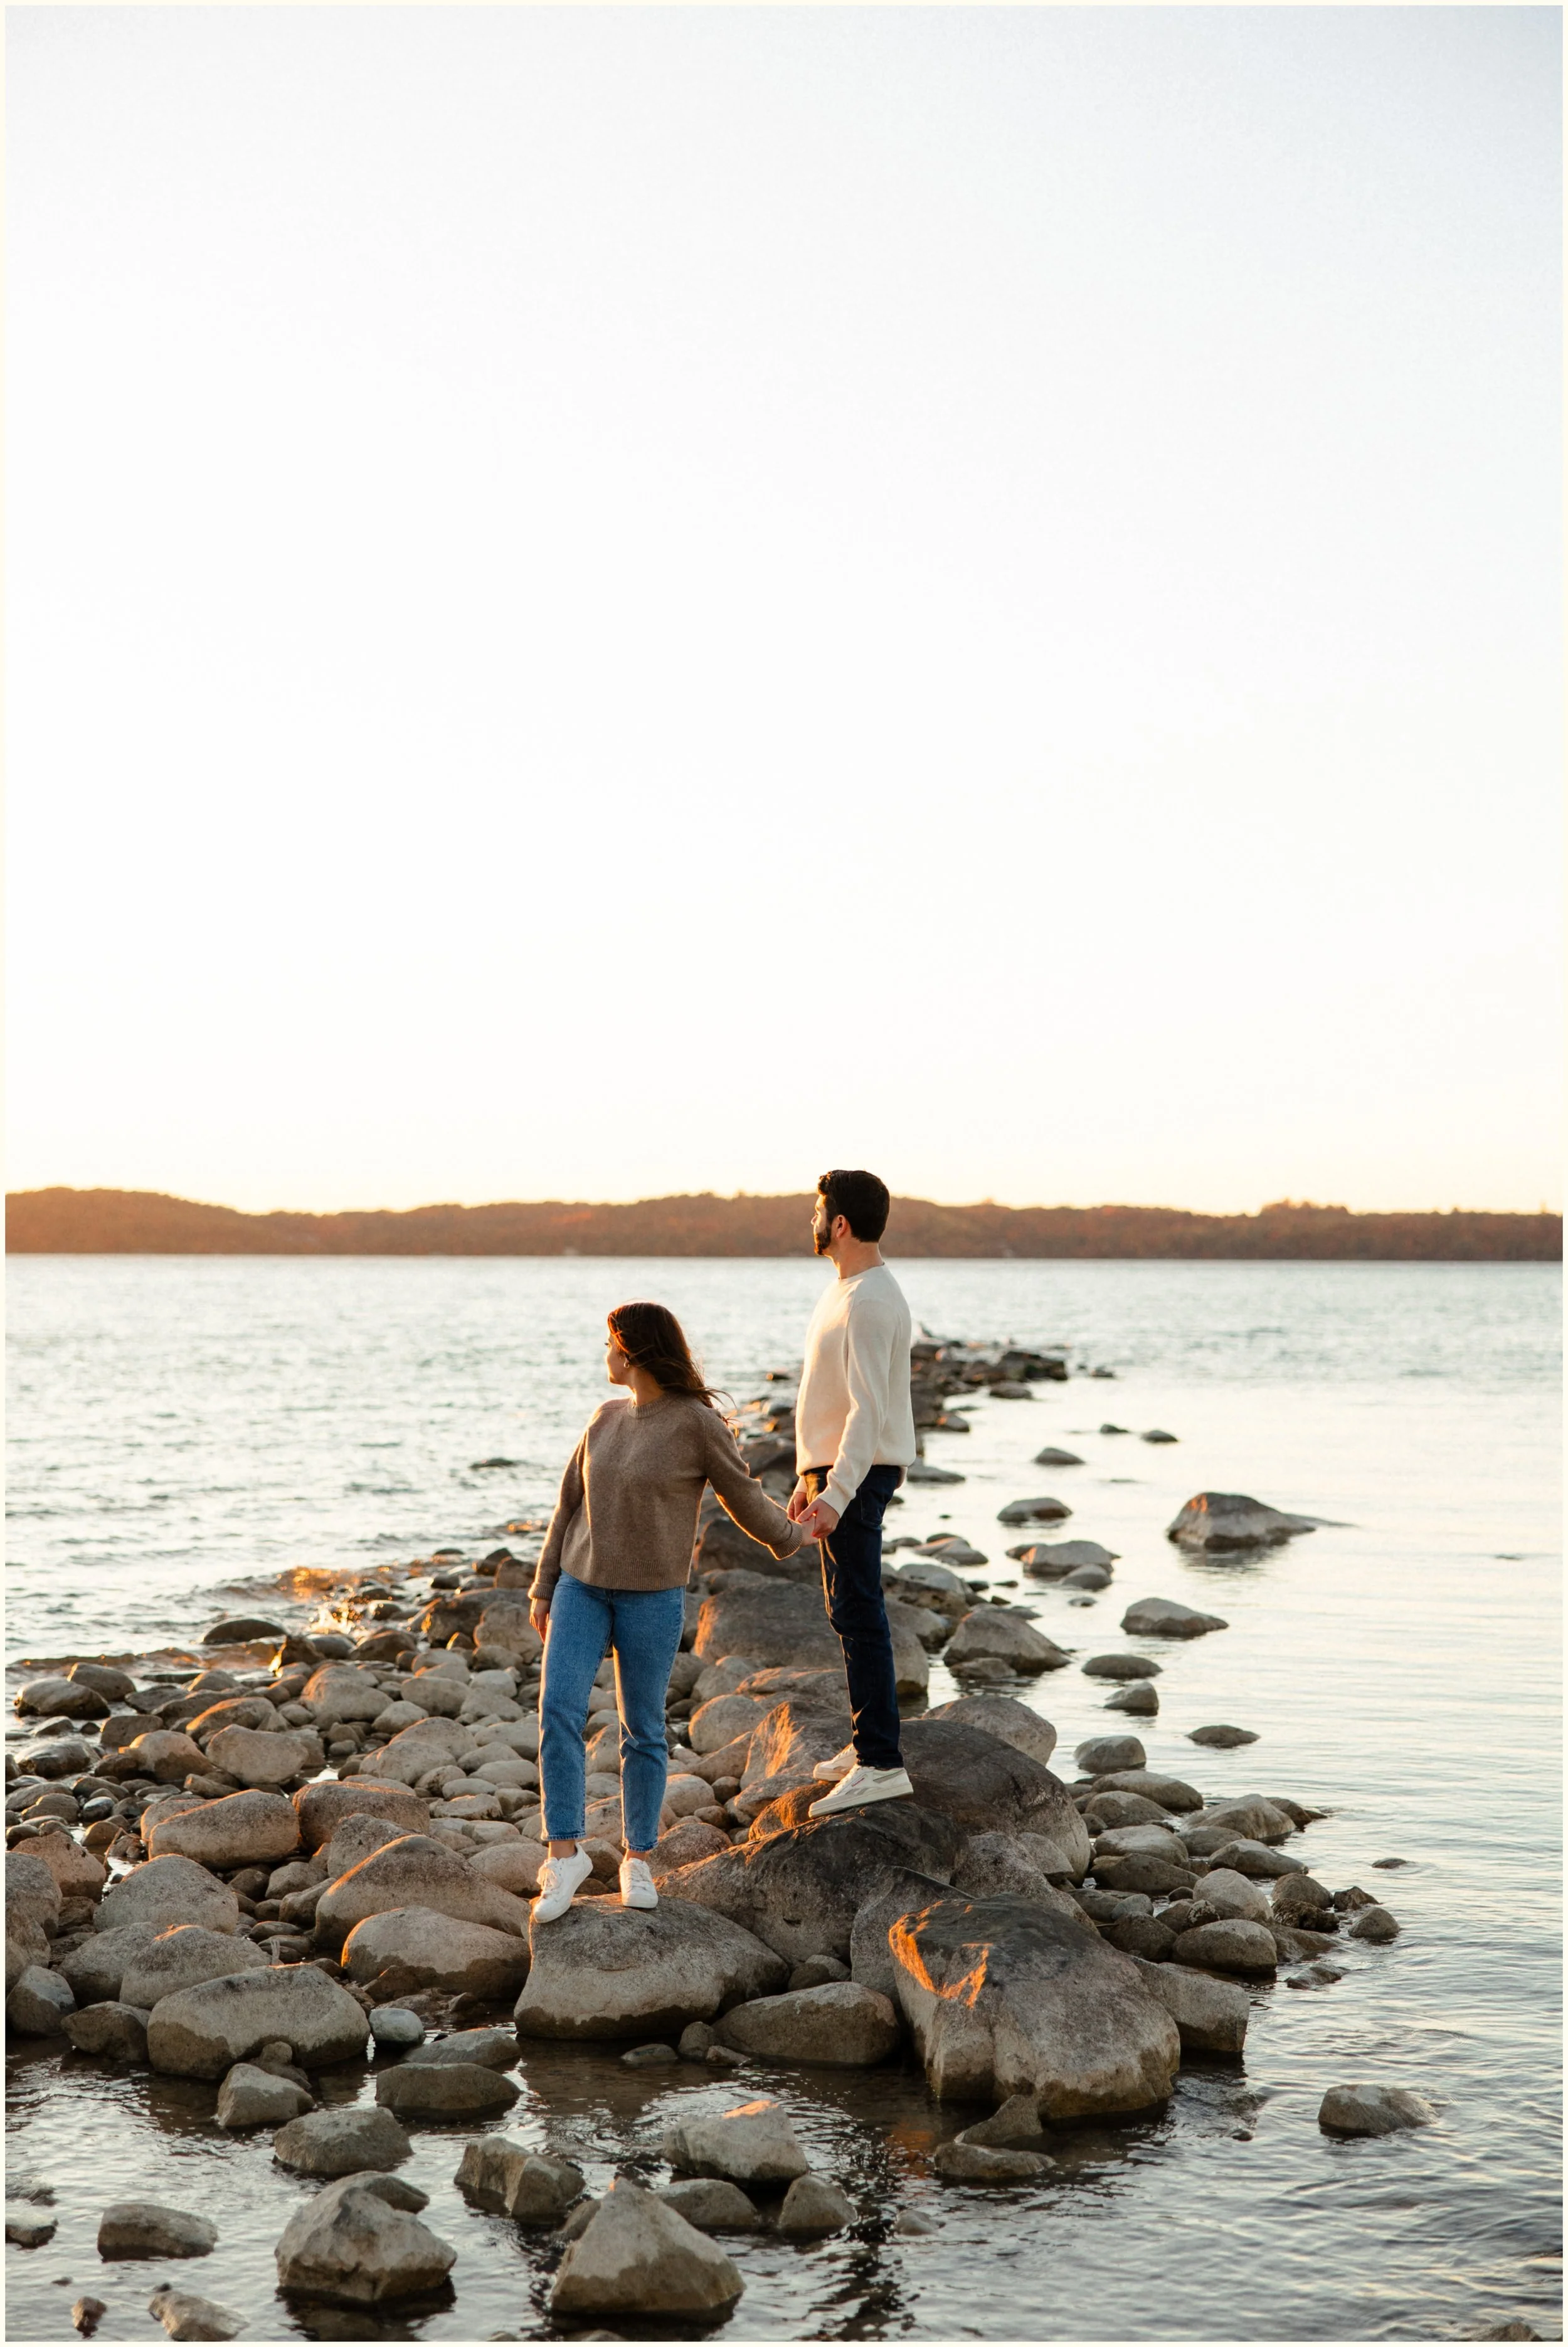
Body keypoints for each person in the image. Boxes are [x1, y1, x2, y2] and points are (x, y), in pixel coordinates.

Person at [527, 1299, 804, 1923]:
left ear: (633, 1350)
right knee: (558, 1713)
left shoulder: (696, 1424)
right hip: (580, 1586)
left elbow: (743, 1495)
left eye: (609, 1344)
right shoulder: (603, 1418)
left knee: (644, 1730)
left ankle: (638, 1859)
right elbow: (566, 1504)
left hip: (652, 1597)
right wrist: (543, 1586)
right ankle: (564, 1852)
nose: (604, 1355)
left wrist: (792, 1535)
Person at [788, 1168, 918, 1816]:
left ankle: (880, 1763)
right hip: (837, 1468)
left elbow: (868, 1411)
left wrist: (836, 1491)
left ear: (839, 1222)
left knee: (859, 1610)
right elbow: (829, 1400)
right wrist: (807, 1474)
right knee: (847, 1611)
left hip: (860, 1473)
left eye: (817, 1210)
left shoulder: (869, 1299)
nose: (811, 1220)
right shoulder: (844, 1291)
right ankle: (867, 1742)